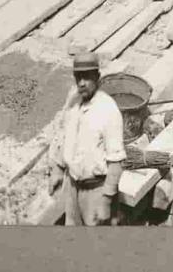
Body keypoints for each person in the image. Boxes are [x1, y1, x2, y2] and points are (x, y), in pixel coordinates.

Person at [50, 51, 125, 225]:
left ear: (97, 77)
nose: (82, 83)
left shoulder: (107, 110)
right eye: (78, 78)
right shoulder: (74, 104)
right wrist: (58, 169)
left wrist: (106, 201)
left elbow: (117, 162)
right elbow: (67, 140)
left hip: (96, 191)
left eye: (87, 77)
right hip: (73, 186)